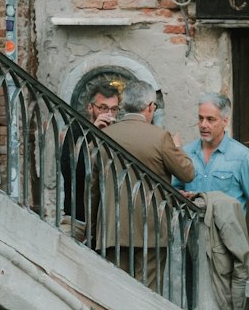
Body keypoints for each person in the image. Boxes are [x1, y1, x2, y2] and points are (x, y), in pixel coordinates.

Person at [101, 79, 195, 287]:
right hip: (150, 228)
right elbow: (187, 173)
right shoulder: (160, 137)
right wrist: (178, 147)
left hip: (112, 228)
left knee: (116, 290)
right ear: (150, 107)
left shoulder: (104, 135)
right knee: (148, 292)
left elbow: (92, 183)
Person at [180, 92, 249, 272]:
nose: (203, 125)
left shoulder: (242, 157)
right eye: (200, 118)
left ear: (224, 121)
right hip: (190, 246)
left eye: (210, 119)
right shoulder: (186, 153)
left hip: (227, 247)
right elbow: (173, 192)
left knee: (227, 298)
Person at [59, 79, 120, 241]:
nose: (109, 114)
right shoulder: (76, 131)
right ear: (89, 107)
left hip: (107, 223)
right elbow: (69, 170)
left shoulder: (119, 136)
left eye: (114, 109)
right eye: (103, 108)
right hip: (77, 218)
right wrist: (93, 134)